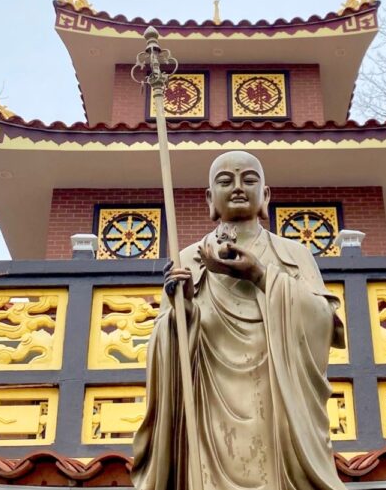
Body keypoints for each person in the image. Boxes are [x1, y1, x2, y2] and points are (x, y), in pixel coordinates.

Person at [132, 151, 346, 490]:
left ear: (266, 195)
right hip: (208, 401)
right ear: (209, 198)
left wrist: (261, 275)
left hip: (277, 395)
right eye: (225, 181)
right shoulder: (186, 259)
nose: (237, 188)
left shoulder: (293, 254)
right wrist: (182, 310)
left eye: (249, 180)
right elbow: (163, 343)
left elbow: (324, 322)